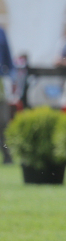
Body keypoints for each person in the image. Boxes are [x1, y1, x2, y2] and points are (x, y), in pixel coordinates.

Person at [0, 25, 13, 163]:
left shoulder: (1, 32)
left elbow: (9, 60)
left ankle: (7, 157)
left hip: (0, 83)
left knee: (3, 122)